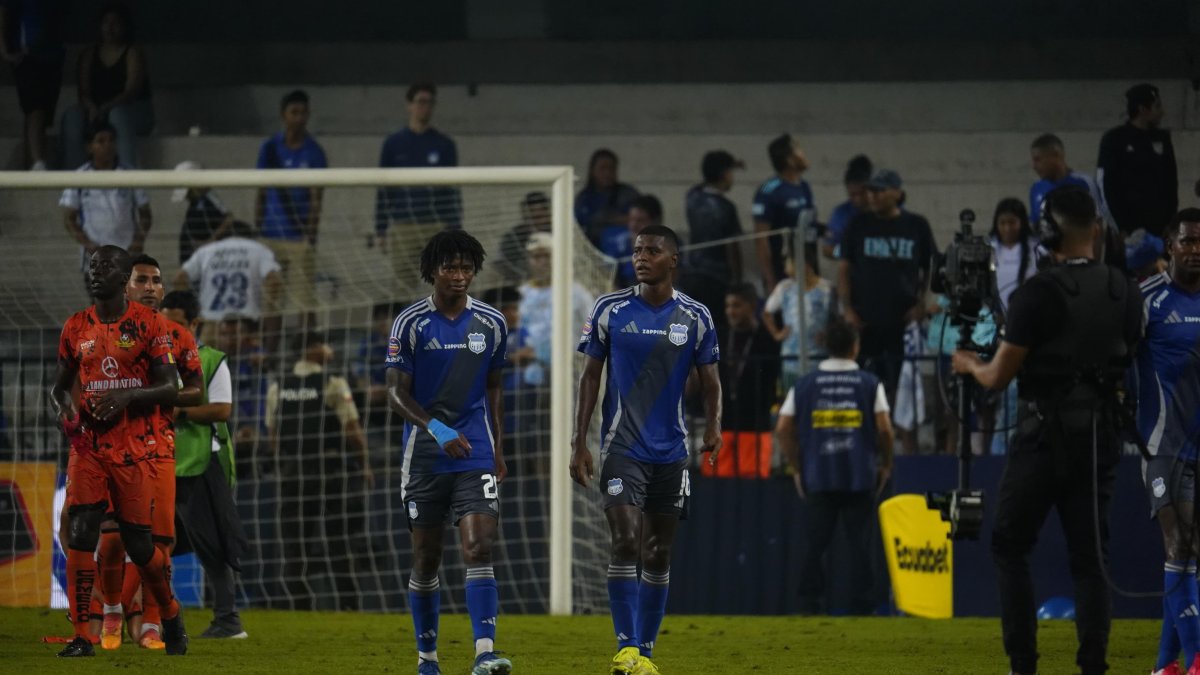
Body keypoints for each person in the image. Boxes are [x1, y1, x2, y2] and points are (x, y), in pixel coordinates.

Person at [951, 186, 1142, 675]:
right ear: (1095, 228)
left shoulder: (1037, 293)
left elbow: (999, 377)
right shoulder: (1125, 290)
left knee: (1009, 545)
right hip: (1099, 439)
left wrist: (970, 364)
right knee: (1090, 560)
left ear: (1048, 232)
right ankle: (1093, 665)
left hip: (1042, 438)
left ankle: (1024, 665)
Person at [571, 224, 722, 675]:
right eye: (637, 250)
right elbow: (590, 378)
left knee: (658, 552)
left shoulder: (696, 316)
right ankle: (626, 647)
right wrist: (580, 441)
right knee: (624, 541)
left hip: (672, 451)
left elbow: (712, 383)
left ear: (672, 260)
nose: (641, 257)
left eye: (652, 251)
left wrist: (714, 426)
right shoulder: (609, 309)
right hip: (622, 448)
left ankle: (647, 655)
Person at [384, 230, 513, 675]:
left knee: (478, 547)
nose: (459, 276)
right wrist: (436, 428)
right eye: (450, 268)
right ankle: (428, 659)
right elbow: (395, 395)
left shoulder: (493, 323)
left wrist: (498, 445)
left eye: (465, 268)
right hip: (424, 456)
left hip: (475, 451)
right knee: (427, 557)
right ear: (432, 272)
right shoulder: (410, 323)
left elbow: (494, 387)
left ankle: (484, 652)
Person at [50, 245, 187, 657]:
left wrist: (128, 396)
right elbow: (59, 387)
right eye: (93, 266)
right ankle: (83, 636)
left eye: (107, 266)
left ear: (124, 276)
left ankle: (169, 611)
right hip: (88, 448)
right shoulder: (76, 327)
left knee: (141, 546)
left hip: (135, 449)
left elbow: (171, 387)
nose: (96, 272)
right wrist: (66, 412)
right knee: (82, 532)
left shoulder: (149, 325)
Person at [99, 253, 202, 650]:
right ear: (125, 285)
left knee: (158, 546)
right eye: (142, 280)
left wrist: (150, 395)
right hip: (110, 448)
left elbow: (195, 389)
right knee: (111, 540)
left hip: (158, 448)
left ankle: (153, 625)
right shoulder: (100, 329)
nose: (151, 288)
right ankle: (111, 610)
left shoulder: (177, 335)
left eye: (156, 281)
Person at [776, 316, 893, 614]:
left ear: (826, 346)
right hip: (859, 474)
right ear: (855, 346)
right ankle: (862, 605)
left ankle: (809, 604)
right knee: (860, 544)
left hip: (818, 474)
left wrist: (797, 467)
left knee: (816, 543)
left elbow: (782, 428)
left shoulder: (805, 384)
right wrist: (886, 463)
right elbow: (885, 429)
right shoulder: (869, 383)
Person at [160, 290, 249, 640]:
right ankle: (149, 616)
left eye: (177, 324)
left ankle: (228, 620)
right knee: (153, 542)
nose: (169, 330)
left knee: (210, 543)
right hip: (162, 462)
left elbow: (222, 410)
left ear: (194, 324)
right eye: (164, 323)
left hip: (200, 462)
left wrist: (178, 411)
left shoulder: (211, 359)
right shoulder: (157, 363)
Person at [1133, 209, 1200, 675]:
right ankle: (1197, 661)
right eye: (1188, 241)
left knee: (1190, 550)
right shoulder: (1147, 300)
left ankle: (1164, 666)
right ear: (1169, 245)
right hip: (1161, 446)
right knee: (1179, 543)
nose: (1195, 250)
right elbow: (1115, 351)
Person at [266, 330, 372, 611]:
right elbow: (353, 431)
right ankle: (349, 606)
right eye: (325, 344)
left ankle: (300, 606)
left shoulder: (278, 386)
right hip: (329, 469)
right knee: (338, 539)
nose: (329, 350)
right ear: (311, 348)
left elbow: (273, 436)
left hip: (293, 472)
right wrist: (365, 465)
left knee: (295, 541)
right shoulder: (333, 383)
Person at [838, 168, 935, 398]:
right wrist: (847, 308)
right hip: (864, 319)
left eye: (879, 191)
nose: (872, 196)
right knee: (861, 381)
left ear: (896, 193)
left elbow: (930, 266)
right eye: (870, 190)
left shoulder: (916, 225)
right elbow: (844, 269)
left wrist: (922, 303)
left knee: (901, 385)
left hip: (901, 320)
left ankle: (894, 431)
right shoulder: (858, 224)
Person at [375, 81, 462, 290]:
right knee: (402, 286)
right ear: (409, 105)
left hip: (436, 224)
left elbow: (453, 189)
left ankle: (443, 323)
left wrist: (455, 228)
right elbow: (384, 188)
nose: (425, 107)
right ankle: (405, 323)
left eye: (430, 103)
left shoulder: (444, 144)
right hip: (404, 224)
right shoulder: (393, 143)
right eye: (421, 102)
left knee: (444, 283)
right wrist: (381, 227)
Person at [254, 89, 327, 314]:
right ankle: (269, 349)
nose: (299, 118)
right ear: (283, 115)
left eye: (303, 113)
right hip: (271, 236)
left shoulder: (315, 152)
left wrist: (311, 237)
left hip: (299, 237)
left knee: (305, 301)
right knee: (271, 302)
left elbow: (317, 199)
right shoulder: (269, 148)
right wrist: (258, 228)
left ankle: (308, 347)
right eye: (294, 112)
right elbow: (261, 191)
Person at [60, 2, 153, 170]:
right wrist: (92, 107)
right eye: (106, 23)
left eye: (115, 23)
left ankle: (126, 177)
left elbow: (131, 91)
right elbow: (84, 92)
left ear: (124, 26)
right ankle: (75, 177)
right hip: (98, 112)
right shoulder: (89, 54)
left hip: (132, 112)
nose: (110, 28)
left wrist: (107, 107)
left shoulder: (132, 52)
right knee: (73, 115)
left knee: (118, 114)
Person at [704, 282, 778, 479]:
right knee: (715, 486)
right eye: (728, 306)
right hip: (721, 425)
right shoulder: (718, 337)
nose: (730, 311)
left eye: (736, 305)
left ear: (752, 306)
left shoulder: (766, 340)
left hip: (755, 426)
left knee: (752, 485)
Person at [175, 220, 283, 344]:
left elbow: (179, 279)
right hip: (247, 323)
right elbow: (274, 280)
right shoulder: (258, 249)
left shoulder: (207, 251)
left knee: (206, 360)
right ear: (249, 237)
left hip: (212, 322)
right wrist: (268, 309)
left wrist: (191, 311)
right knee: (251, 360)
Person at [60, 121, 152, 266]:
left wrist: (138, 242)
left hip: (127, 254)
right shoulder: (78, 177)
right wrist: (90, 246)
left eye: (111, 140)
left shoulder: (130, 175)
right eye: (101, 141)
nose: (107, 145)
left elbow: (146, 214)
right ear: (89, 147)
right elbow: (69, 219)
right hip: (95, 258)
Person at [1098, 83, 1178, 240]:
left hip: (1160, 229)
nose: (1162, 112)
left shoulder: (1162, 138)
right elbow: (1106, 185)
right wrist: (1119, 227)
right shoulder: (1114, 139)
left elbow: (1171, 182)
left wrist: (1171, 222)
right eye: (1157, 106)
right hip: (1127, 230)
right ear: (1143, 109)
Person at [518, 231, 595, 387]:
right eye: (536, 257)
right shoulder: (522, 293)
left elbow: (593, 329)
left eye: (546, 256)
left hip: (570, 367)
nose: (542, 262)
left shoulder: (577, 292)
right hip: (531, 370)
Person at [681, 150, 744, 328]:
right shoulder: (727, 208)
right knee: (716, 328)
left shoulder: (692, 197)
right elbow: (733, 249)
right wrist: (737, 282)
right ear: (724, 174)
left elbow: (702, 184)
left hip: (692, 273)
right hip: (717, 279)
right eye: (731, 172)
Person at [0, 0, 65, 170]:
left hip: (53, 55)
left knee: (42, 115)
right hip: (27, 55)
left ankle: (32, 164)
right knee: (34, 108)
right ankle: (37, 162)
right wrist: (4, 50)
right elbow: (4, 11)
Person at [763, 243, 833, 390]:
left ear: (803, 264)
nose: (785, 269)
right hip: (791, 357)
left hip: (818, 355)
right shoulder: (785, 288)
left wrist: (828, 336)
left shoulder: (826, 289)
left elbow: (837, 318)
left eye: (788, 263)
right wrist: (777, 334)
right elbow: (767, 313)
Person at [753, 133, 817, 292]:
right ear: (789, 159)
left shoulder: (804, 186)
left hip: (807, 268)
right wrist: (771, 281)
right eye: (799, 151)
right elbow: (761, 240)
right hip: (783, 272)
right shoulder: (769, 190)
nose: (804, 154)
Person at [1029, 134, 1105, 231]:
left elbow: (1097, 224)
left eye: (1038, 160)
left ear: (1056, 155)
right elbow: (1035, 225)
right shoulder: (1036, 188)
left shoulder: (1084, 183)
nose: (1034, 166)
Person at [575, 148, 640, 248]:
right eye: (602, 168)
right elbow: (577, 228)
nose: (607, 173)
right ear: (592, 171)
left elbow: (640, 220)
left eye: (611, 168)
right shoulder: (583, 198)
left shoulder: (628, 194)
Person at [173, 160, 234, 265]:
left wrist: (209, 242)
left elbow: (228, 218)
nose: (187, 197)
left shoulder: (209, 199)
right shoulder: (197, 202)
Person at [600, 194, 661, 289]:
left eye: (640, 221)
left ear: (655, 222)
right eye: (631, 219)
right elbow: (607, 276)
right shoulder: (620, 244)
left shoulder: (667, 244)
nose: (634, 226)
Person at [822, 155, 873, 259]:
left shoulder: (888, 209)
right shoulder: (841, 213)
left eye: (862, 193)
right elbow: (827, 249)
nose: (857, 199)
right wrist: (846, 252)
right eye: (853, 195)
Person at [495, 191, 550, 284]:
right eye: (530, 218)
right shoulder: (513, 238)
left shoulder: (560, 235)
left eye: (539, 217)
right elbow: (503, 266)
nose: (534, 223)